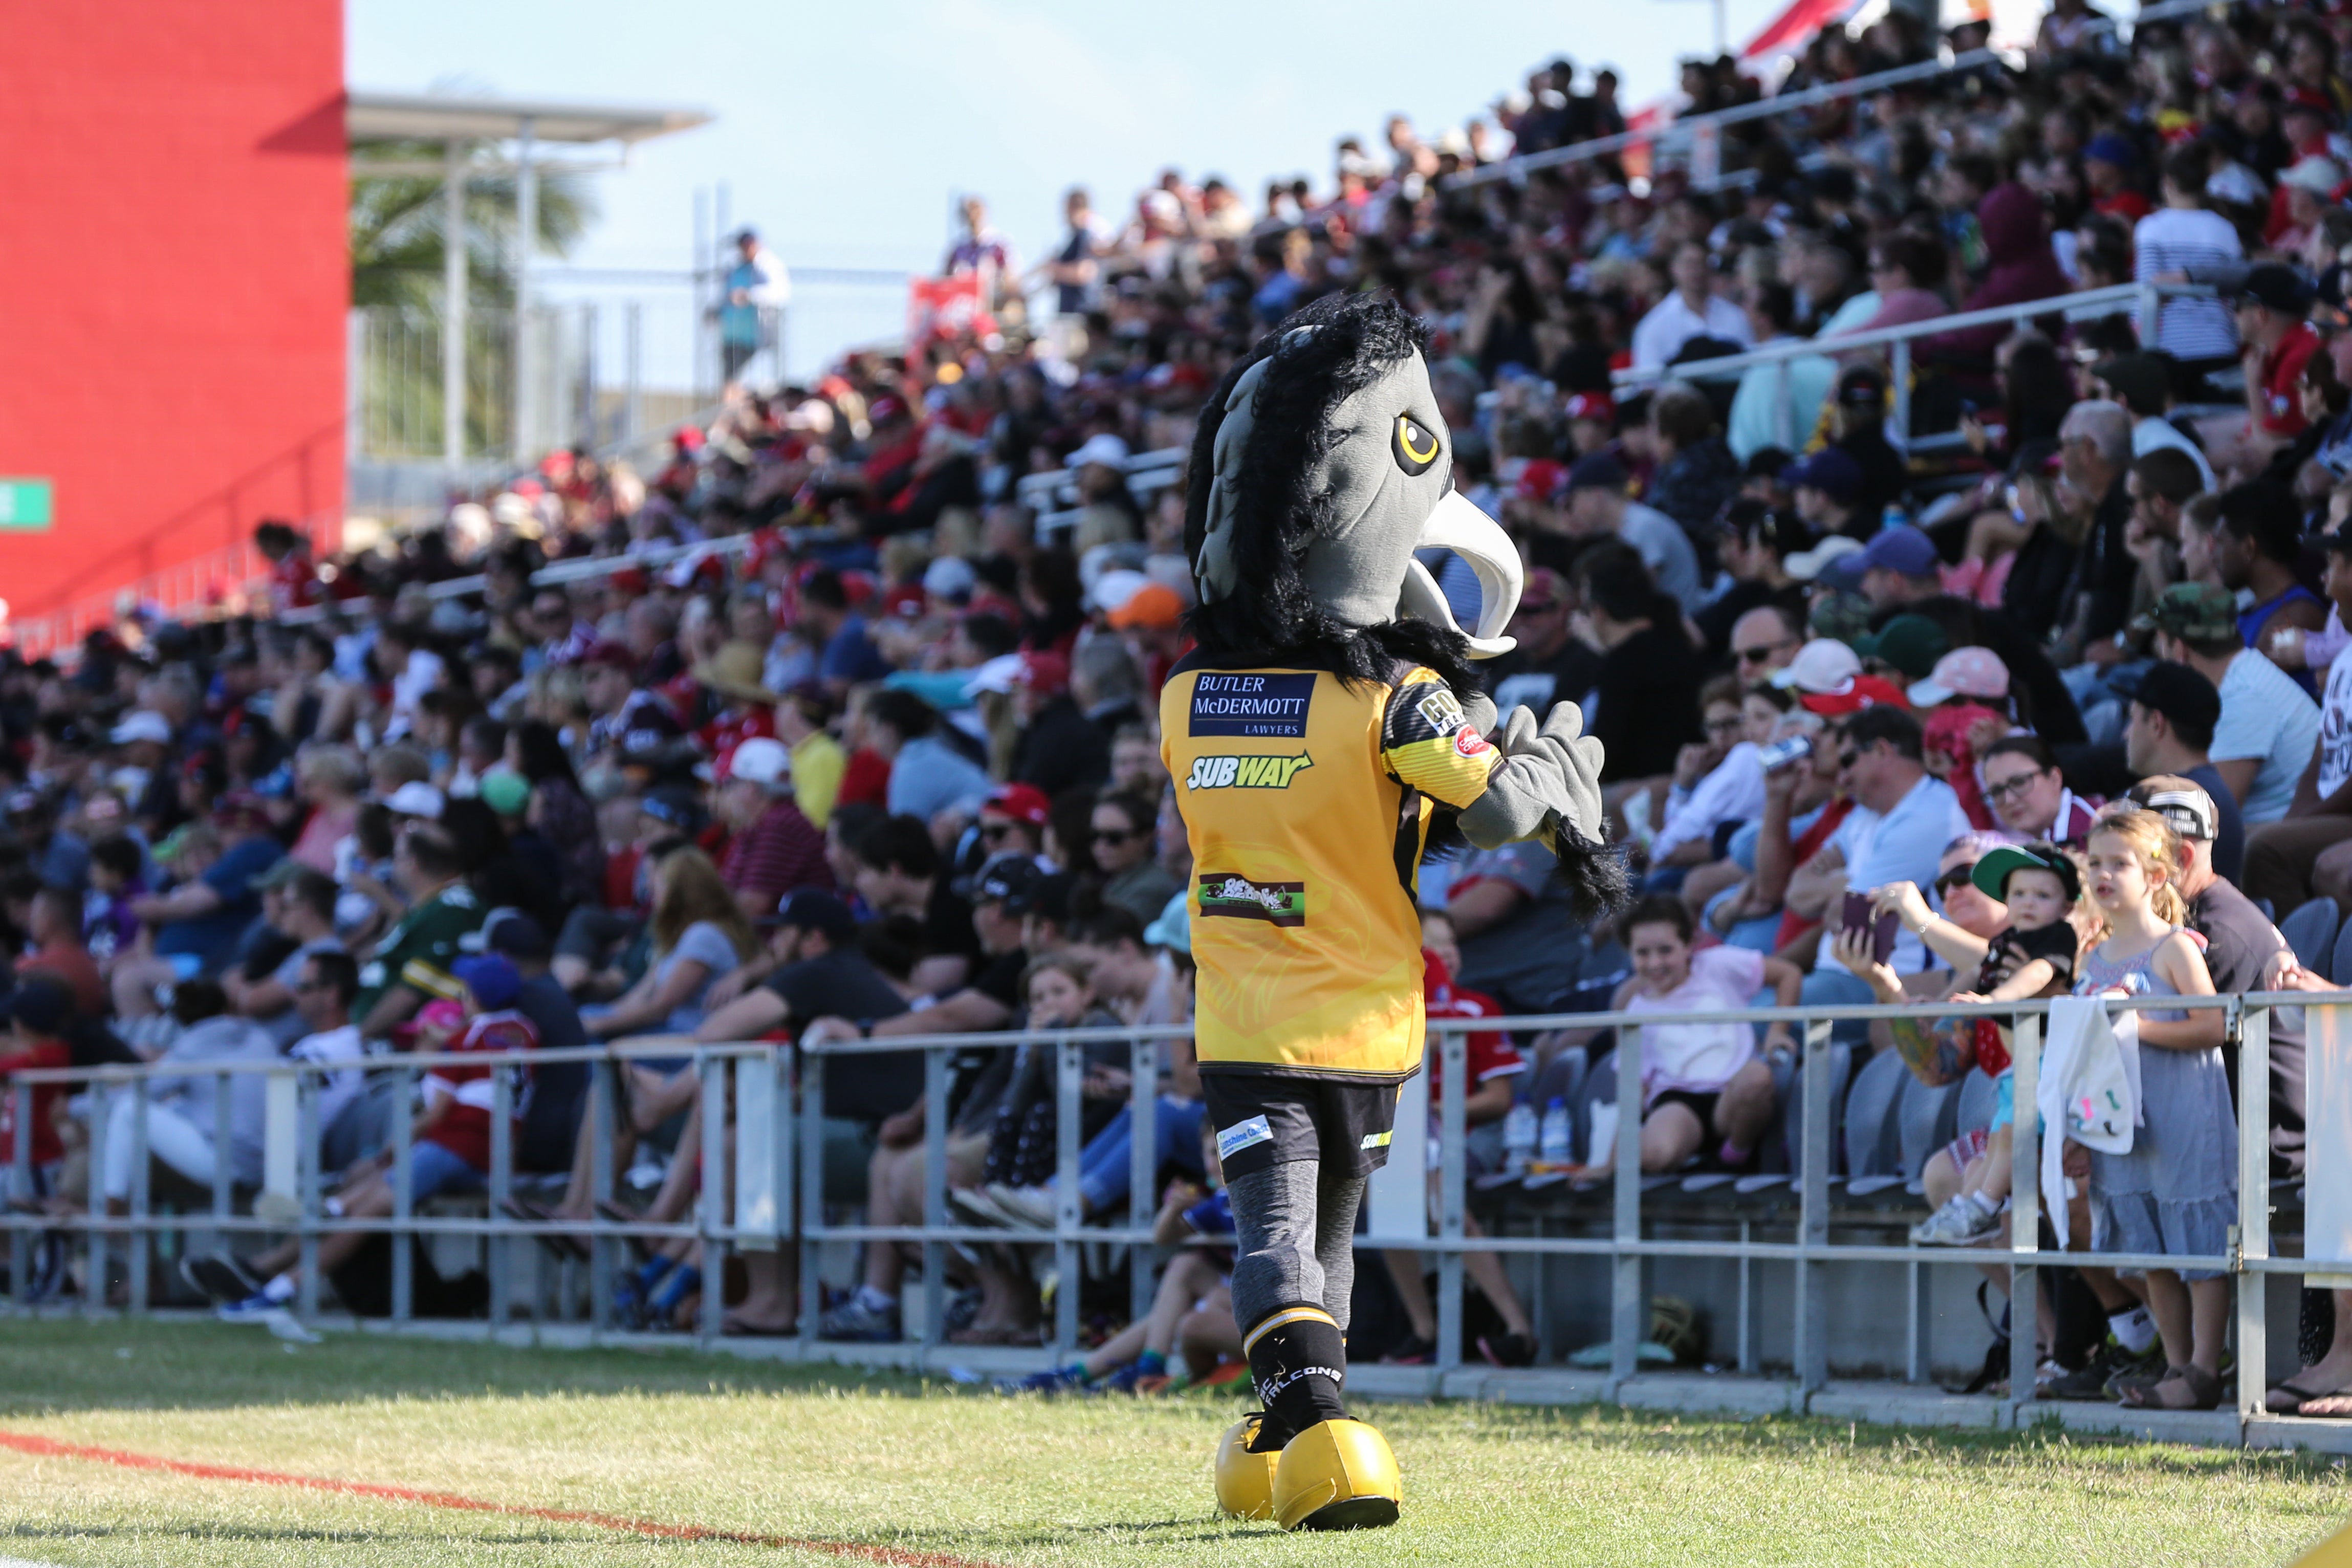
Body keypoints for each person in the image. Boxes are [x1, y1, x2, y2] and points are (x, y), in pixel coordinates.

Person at [199, 953, 539, 1317]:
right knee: (361, 1191)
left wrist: (397, 1142)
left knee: (363, 1211)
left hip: (455, 1147)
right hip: (494, 1151)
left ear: (474, 998)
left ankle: (276, 1290)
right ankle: (280, 1254)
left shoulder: (462, 1042)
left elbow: (435, 1113)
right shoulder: (526, 1032)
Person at [2073, 809, 2234, 1412]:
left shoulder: (2174, 949)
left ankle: (2203, 1367)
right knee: (2153, 1248)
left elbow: (2214, 1025)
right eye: (2096, 863)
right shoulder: (2093, 958)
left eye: (2120, 862)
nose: (2104, 874)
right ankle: (2174, 1363)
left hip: (2182, 1112)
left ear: (2158, 876)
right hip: (2121, 1123)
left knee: (2197, 1243)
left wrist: (2136, 1025)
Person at [1614, 896, 1800, 1172]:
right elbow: (1634, 1087)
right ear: (1629, 954)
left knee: (1757, 1078)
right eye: (1642, 953)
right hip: (1678, 1099)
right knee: (1652, 1155)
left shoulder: (1718, 964)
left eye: (1666, 950)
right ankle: (1684, 1159)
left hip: (1733, 1091)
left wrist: (1776, 1032)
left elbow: (1788, 974)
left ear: (1689, 945)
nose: (1655, 963)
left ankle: (1732, 1159)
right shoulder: (1635, 1012)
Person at [2138, 582, 2318, 827]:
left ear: (2180, 650)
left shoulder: (2244, 700)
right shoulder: (2240, 676)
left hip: (2275, 849)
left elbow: (2205, 817)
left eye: (2160, 641)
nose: (2157, 651)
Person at [2240, 529, 2352, 909]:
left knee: (2266, 849)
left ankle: (2293, 964)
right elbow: (2324, 752)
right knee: (2224, 837)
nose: (2324, 580)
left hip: (2345, 814)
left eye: (2333, 566)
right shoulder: (2344, 658)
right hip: (2331, 812)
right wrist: (2294, 818)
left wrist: (2302, 823)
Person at [2115, 662, 2246, 885]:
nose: (2126, 734)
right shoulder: (2207, 792)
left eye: (2132, 718)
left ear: (2156, 723)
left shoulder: (2176, 803)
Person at [1562, 454, 1703, 612]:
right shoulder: (1630, 524)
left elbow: (1638, 599)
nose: (1573, 509)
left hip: (1680, 624)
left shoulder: (1642, 526)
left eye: (1574, 499)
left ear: (1596, 495)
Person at [712, 736, 831, 920]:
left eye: (731, 784)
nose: (727, 794)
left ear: (750, 788)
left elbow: (752, 905)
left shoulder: (781, 824)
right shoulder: (761, 825)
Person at [1629, 239, 1750, 371]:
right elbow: (1648, 382)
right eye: (1689, 264)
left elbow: (1750, 362)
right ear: (1673, 268)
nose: (1696, 270)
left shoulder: (1735, 315)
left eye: (1701, 263)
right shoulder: (1653, 326)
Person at [1980, 736, 2101, 845]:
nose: (2009, 800)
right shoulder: (2048, 840)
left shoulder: (2094, 829)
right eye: (1996, 792)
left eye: (2019, 782)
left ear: (2055, 779)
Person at [715, 228, 788, 383]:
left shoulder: (769, 266)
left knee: (752, 380)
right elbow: (725, 294)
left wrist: (749, 296)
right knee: (731, 379)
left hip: (755, 335)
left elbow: (779, 293)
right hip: (732, 333)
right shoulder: (735, 268)